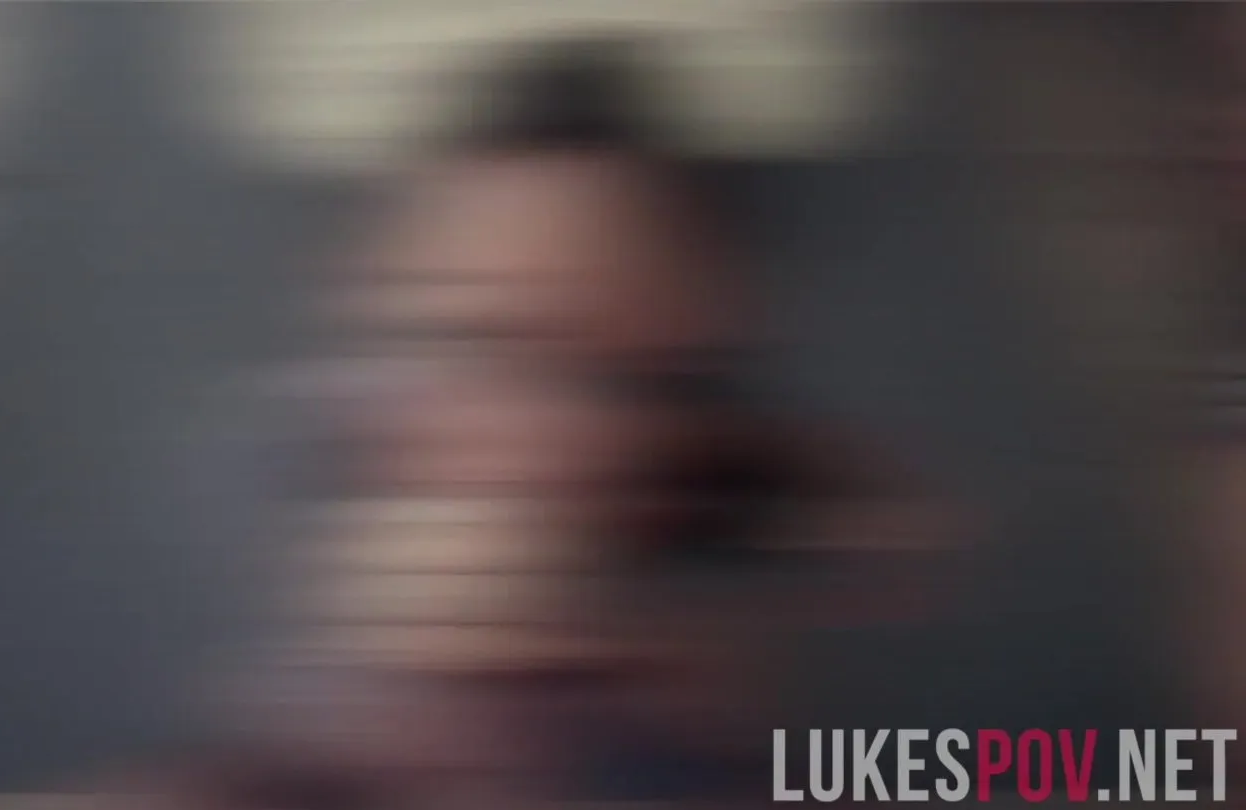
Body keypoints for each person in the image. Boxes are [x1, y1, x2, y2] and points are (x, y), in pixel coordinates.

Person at [133, 34, 960, 809]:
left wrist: (677, 676)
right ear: (362, 301)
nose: (558, 437)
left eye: (628, 383)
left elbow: (925, 730)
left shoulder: (750, 508)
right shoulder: (271, 480)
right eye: (477, 345)